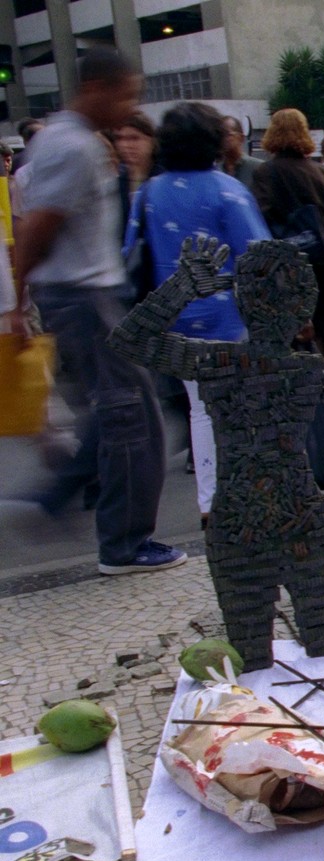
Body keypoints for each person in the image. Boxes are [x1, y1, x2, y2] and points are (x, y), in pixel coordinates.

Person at [13, 47, 184, 574]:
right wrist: (17, 300)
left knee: (116, 413)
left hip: (81, 294)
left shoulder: (57, 138)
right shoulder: (76, 147)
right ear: (99, 88)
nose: (131, 107)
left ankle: (56, 495)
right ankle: (125, 544)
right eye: (128, 94)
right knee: (134, 419)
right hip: (84, 296)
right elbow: (39, 225)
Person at [123, 102, 271, 529]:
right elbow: (258, 255)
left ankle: (210, 500)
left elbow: (130, 253)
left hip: (174, 319)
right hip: (228, 319)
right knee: (241, 409)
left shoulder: (148, 193)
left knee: (199, 410)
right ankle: (246, 496)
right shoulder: (227, 190)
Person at [254, 107, 324, 360]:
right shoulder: (319, 171)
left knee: (290, 324)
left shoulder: (264, 173)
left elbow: (263, 217)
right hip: (322, 256)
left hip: (285, 261)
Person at [113, 111, 158, 225]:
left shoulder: (164, 179)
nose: (125, 145)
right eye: (120, 138)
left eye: (134, 138)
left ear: (152, 141)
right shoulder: (116, 184)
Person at [220, 115, 261, 189]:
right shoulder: (215, 169)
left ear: (241, 138)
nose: (223, 139)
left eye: (227, 134)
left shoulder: (259, 168)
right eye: (219, 135)